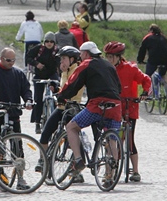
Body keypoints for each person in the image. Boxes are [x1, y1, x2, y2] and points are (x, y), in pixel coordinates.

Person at [56, 41, 122, 177]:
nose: (80, 57)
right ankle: (111, 174)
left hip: (97, 104)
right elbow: (119, 88)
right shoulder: (110, 65)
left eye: (81, 54)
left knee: (71, 128)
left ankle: (79, 160)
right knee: (111, 139)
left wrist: (62, 96)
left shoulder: (87, 64)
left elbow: (73, 83)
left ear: (85, 53)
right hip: (115, 106)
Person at [103, 41, 151, 182]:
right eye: (108, 57)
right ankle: (109, 171)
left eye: (112, 57)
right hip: (113, 109)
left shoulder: (131, 69)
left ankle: (135, 171)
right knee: (110, 140)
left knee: (129, 140)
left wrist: (145, 92)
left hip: (129, 107)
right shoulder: (106, 69)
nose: (110, 60)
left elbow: (145, 80)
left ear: (119, 57)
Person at [37, 45, 85, 183]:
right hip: (61, 107)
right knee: (46, 133)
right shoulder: (65, 70)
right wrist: (56, 88)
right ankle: (42, 161)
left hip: (72, 108)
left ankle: (77, 170)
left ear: (72, 59)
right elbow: (64, 88)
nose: (61, 62)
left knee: (73, 137)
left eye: (63, 59)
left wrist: (61, 93)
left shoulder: (77, 70)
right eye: (61, 59)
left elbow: (74, 89)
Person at [0, 48, 34, 190]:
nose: (11, 63)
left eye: (13, 60)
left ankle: (20, 178)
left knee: (17, 148)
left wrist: (28, 100)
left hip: (14, 114)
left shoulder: (18, 73)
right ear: (1, 58)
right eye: (8, 60)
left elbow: (26, 89)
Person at [26, 32, 60, 134]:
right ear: (44, 42)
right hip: (39, 76)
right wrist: (36, 64)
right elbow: (28, 57)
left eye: (51, 42)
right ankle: (37, 123)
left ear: (54, 43)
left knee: (57, 94)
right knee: (38, 99)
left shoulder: (57, 51)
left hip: (52, 74)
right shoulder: (38, 49)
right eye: (47, 41)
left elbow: (61, 62)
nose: (49, 43)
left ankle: (56, 119)